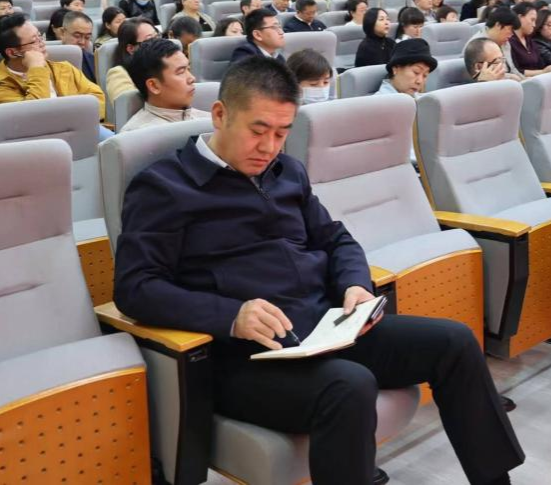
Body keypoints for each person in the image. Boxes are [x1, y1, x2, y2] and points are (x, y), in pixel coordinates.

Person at [114, 58, 523, 484]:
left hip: (324, 327)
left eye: (281, 133)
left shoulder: (286, 171)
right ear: (220, 115)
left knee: (455, 341)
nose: (269, 147)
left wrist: (354, 286)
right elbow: (135, 287)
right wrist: (231, 315)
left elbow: (336, 239)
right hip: (246, 356)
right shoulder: (165, 186)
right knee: (350, 385)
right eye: (257, 130)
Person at [0, 14, 106, 125]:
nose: (42, 43)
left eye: (40, 36)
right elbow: (34, 118)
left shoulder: (64, 68)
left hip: (80, 127)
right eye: (34, 41)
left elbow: (98, 99)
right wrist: (36, 69)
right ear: (12, 52)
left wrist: (70, 120)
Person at [119, 38, 209, 132]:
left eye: (188, 69)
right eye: (181, 72)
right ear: (154, 86)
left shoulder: (210, 121)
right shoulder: (137, 135)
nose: (192, 78)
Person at [108, 18, 160, 99]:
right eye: (150, 40)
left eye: (157, 37)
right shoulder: (118, 74)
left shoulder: (166, 62)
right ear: (131, 49)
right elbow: (128, 103)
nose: (159, 43)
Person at [467, 8, 521, 78]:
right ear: (498, 25)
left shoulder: (505, 43)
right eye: (510, 29)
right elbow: (482, 76)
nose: (512, 34)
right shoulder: (476, 45)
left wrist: (524, 80)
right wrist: (512, 77)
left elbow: (513, 69)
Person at [507, 2, 551, 77]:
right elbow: (515, 71)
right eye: (532, 20)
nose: (534, 25)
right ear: (520, 18)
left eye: (535, 21)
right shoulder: (508, 41)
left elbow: (540, 64)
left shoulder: (530, 40)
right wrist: (543, 72)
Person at [56, 10, 99, 83]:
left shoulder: (95, 61)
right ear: (62, 33)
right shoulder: (49, 60)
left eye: (87, 37)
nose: (82, 42)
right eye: (77, 36)